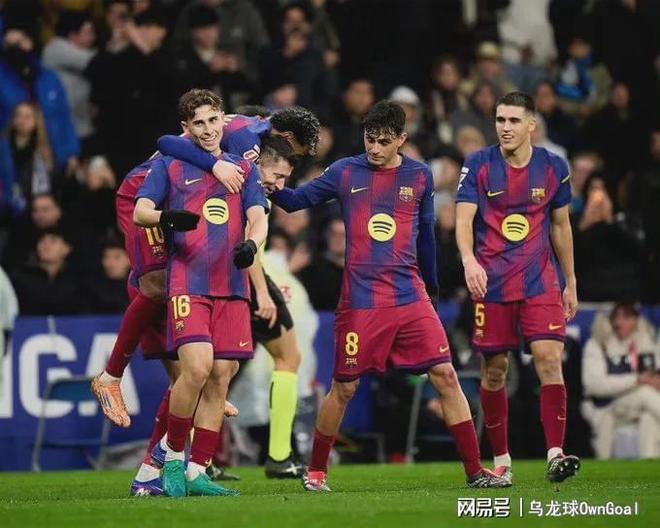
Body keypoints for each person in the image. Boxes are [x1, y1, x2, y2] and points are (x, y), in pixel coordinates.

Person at [269, 100, 509, 490]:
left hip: (410, 296)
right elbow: (297, 202)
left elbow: (426, 236)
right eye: (370, 139)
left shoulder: (420, 175)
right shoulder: (345, 171)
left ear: (401, 139)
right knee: (345, 387)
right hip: (362, 301)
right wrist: (267, 183)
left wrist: (431, 289)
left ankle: (475, 470)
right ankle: (316, 472)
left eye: (383, 141)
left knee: (446, 375)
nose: (375, 148)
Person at [133, 88, 269, 497]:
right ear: (186, 128)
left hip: (232, 284)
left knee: (221, 375)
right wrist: (167, 217)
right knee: (195, 369)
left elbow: (259, 215)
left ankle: (197, 470)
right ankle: (173, 458)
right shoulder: (170, 164)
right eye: (199, 123)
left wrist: (252, 245)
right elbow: (140, 212)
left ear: (222, 119)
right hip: (188, 281)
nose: (208, 130)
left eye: (213, 120)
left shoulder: (242, 167)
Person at [455, 91, 580, 485]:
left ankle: (556, 454)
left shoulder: (553, 167)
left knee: (549, 359)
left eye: (513, 120)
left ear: (531, 125)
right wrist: (469, 260)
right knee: (495, 371)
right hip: (491, 283)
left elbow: (561, 226)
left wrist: (571, 281)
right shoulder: (478, 164)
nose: (505, 128)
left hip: (540, 280)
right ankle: (502, 460)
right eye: (500, 120)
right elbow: (463, 220)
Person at [582, 303, 660, 459]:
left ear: (636, 320)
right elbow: (593, 385)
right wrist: (637, 380)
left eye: (626, 317)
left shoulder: (645, 340)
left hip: (636, 406)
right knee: (644, 392)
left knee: (649, 419)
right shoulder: (598, 343)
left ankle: (648, 466)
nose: (620, 322)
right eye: (616, 317)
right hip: (605, 404)